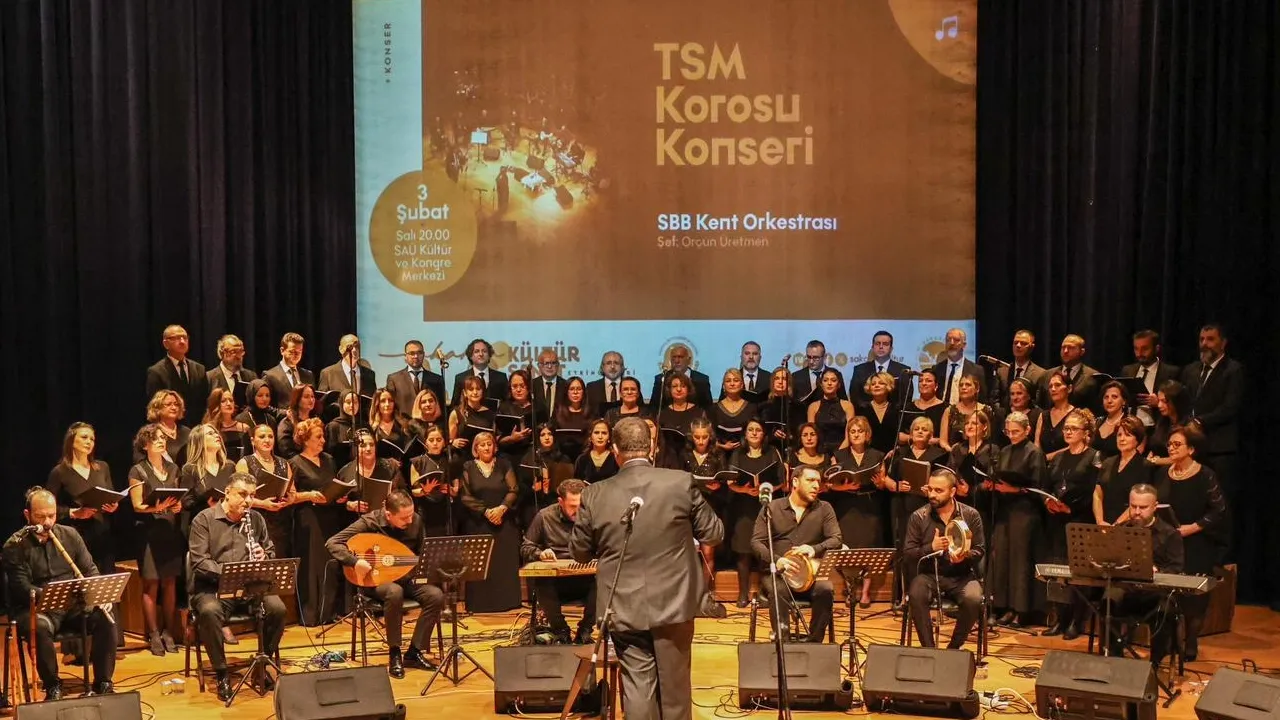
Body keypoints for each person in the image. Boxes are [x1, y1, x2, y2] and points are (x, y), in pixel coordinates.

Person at [570, 417, 723, 720]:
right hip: (674, 602)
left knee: (638, 686)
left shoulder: (594, 493)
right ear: (652, 447)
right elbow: (714, 533)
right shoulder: (680, 482)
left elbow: (579, 551)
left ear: (615, 450)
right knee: (675, 687)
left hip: (622, 604)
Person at [4, 488, 118, 699]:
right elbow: (21, 588)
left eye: (52, 515)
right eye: (40, 516)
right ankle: (52, 685)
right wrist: (52, 594)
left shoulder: (70, 535)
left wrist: (98, 594)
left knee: (105, 616)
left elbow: (89, 569)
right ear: (27, 515)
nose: (47, 522)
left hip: (72, 606)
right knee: (39, 627)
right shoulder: (15, 546)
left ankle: (103, 682)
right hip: (36, 608)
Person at [188, 473, 288, 701]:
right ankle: (222, 672)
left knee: (277, 609)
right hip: (213, 587)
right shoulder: (203, 520)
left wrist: (264, 556)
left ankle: (262, 665)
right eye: (243, 494)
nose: (248, 501)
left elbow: (270, 550)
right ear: (227, 493)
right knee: (209, 611)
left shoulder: (256, 520)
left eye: (252, 495)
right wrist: (231, 575)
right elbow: (200, 562)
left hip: (251, 588)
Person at [327, 489, 444, 677]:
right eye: (404, 517)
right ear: (388, 514)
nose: (410, 520)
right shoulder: (370, 522)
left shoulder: (416, 521)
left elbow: (422, 555)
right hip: (376, 582)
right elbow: (333, 543)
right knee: (394, 592)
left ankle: (414, 652)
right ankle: (394, 652)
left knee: (435, 595)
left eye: (411, 514)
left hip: (406, 577)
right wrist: (354, 562)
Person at [1151, 424, 1227, 660]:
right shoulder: (1162, 474)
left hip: (1196, 541)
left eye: (1177, 444)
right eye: (1169, 444)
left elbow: (1219, 510)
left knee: (1194, 598)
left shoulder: (1205, 475)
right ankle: (1170, 640)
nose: (1171, 448)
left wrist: (1192, 528)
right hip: (1168, 542)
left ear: (1191, 449)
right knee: (1167, 592)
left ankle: (1191, 641)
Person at [752, 466, 841, 642]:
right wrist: (777, 561)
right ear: (795, 482)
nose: (816, 486)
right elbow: (756, 542)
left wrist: (815, 549)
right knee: (779, 590)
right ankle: (783, 643)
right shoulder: (772, 508)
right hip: (779, 575)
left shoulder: (825, 508)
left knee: (826, 589)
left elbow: (836, 539)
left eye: (818, 481)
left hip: (810, 576)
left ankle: (814, 643)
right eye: (810, 480)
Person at [903, 468, 985, 649]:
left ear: (953, 491)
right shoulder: (919, 516)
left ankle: (953, 649)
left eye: (938, 490)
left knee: (974, 597)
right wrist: (931, 548)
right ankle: (930, 650)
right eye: (930, 489)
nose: (932, 494)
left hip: (961, 575)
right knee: (916, 593)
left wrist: (964, 556)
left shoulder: (970, 515)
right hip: (929, 575)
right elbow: (908, 553)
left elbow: (980, 549)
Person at [1041, 409, 1103, 640]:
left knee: (1078, 572)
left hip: (1080, 520)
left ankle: (1077, 621)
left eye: (1073, 428)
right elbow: (1046, 485)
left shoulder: (1094, 456)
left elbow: (1094, 490)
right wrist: (1047, 501)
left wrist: (1072, 508)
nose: (1067, 432)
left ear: (1086, 433)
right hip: (1057, 521)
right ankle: (1060, 619)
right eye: (1066, 428)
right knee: (1058, 570)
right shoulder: (1059, 457)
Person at [1106, 484, 1184, 663]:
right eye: (1133, 506)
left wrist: (1157, 571)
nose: (1136, 512)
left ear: (1155, 506)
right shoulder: (1121, 530)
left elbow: (1176, 569)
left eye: (1143, 507)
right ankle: (1112, 658)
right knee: (1108, 600)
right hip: (1127, 590)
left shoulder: (1170, 534)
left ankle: (1154, 664)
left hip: (1154, 594)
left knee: (1164, 610)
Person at [986, 411, 1047, 628]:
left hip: (1025, 512)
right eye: (1008, 432)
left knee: (1020, 562)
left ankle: (1021, 610)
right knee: (1001, 559)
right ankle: (1001, 607)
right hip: (1005, 511)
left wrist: (1014, 489)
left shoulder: (1034, 453)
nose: (1012, 436)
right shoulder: (1005, 451)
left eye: (1016, 432)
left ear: (1027, 430)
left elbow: (1039, 488)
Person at [128, 424, 184, 656]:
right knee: (151, 584)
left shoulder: (173, 468)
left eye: (163, 438)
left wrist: (178, 506)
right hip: (149, 532)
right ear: (145, 445)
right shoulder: (138, 470)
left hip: (169, 530)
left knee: (169, 582)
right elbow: (137, 505)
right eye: (156, 439)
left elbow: (177, 499)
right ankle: (153, 634)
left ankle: (168, 631)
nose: (162, 441)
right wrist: (155, 508)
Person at [521, 479, 597, 644]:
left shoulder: (593, 515)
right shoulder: (544, 516)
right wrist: (540, 553)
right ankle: (561, 631)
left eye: (581, 505)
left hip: (586, 579)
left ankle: (585, 631)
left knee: (604, 582)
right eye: (572, 506)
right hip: (556, 582)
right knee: (542, 583)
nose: (578, 511)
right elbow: (526, 547)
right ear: (560, 502)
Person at [827, 417, 890, 607]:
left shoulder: (877, 455)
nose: (856, 435)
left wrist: (880, 483)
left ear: (867, 434)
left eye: (860, 431)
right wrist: (844, 487)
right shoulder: (838, 455)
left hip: (869, 505)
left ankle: (865, 592)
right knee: (847, 549)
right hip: (847, 506)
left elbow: (883, 483)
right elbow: (829, 484)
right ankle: (850, 589)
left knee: (869, 549)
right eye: (852, 431)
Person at [458, 432, 523, 612]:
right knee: (481, 564)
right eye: (482, 445)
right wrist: (486, 511)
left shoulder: (504, 464)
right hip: (478, 522)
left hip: (504, 520)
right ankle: (480, 604)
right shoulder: (468, 466)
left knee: (503, 563)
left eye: (489, 444)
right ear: (476, 449)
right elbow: (465, 496)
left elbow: (513, 489)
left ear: (495, 446)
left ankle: (507, 602)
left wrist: (502, 508)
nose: (486, 447)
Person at [1180, 323, 1244, 501]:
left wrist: (1200, 421)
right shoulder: (1191, 370)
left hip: (1219, 447)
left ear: (1223, 343)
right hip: (1193, 446)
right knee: (1193, 497)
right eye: (1201, 339)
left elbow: (1230, 407)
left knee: (1219, 497)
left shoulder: (1233, 370)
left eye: (1210, 339)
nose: (1204, 344)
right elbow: (1185, 402)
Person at [288, 417, 343, 626]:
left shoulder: (328, 459)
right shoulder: (295, 463)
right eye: (318, 437)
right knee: (312, 564)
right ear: (305, 439)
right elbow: (290, 496)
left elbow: (334, 484)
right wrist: (309, 495)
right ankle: (311, 615)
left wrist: (340, 495)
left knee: (329, 562)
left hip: (330, 515)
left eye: (323, 436)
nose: (323, 441)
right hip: (308, 517)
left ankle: (328, 612)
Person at [728, 418, 783, 607]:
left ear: (764, 434)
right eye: (750, 429)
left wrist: (768, 488)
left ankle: (763, 592)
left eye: (758, 430)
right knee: (743, 551)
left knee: (764, 552)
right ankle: (743, 593)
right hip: (744, 506)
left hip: (766, 505)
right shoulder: (738, 454)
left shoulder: (772, 452)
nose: (753, 433)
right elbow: (730, 482)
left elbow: (782, 481)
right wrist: (744, 490)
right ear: (745, 433)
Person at [145, 324, 209, 426]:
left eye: (185, 337)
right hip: (170, 427)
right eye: (177, 338)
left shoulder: (199, 369)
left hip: (198, 427)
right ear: (166, 344)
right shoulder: (156, 371)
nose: (182, 341)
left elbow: (205, 401)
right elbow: (155, 407)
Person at [1093, 417, 1153, 525]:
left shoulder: (1144, 466)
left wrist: (1116, 524)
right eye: (1119, 435)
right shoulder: (1108, 462)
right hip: (1104, 523)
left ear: (1137, 440)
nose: (1122, 439)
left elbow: (1140, 502)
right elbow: (1098, 493)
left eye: (1127, 435)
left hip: (1130, 525)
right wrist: (1100, 521)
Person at [1122, 330, 1180, 428]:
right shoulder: (1127, 370)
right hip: (1130, 427)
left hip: (1157, 427)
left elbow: (1179, 404)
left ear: (1156, 349)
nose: (1139, 353)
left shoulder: (1171, 372)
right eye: (1136, 349)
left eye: (1144, 349)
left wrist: (1158, 403)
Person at [655, 374, 706, 469]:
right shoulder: (662, 414)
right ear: (669, 390)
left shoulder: (699, 412)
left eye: (683, 386)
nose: (679, 389)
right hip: (667, 461)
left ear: (689, 389)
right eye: (674, 386)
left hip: (692, 459)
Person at [1039, 334, 1100, 413]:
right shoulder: (1047, 375)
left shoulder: (1093, 377)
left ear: (1082, 351)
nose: (1065, 351)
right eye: (1063, 347)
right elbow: (1041, 404)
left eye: (1071, 348)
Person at [385, 340, 448, 416]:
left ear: (423, 354)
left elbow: (441, 408)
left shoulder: (436, 379)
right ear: (405, 356)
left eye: (419, 353)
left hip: (430, 422)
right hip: (403, 423)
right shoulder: (394, 379)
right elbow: (391, 409)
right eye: (412, 353)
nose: (416, 356)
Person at [849, 331, 912, 405]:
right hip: (865, 411)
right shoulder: (859, 369)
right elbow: (854, 396)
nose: (881, 347)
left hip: (895, 411)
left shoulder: (903, 370)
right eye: (877, 343)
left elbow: (907, 397)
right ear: (872, 347)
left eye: (885, 344)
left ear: (891, 348)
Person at [650, 343, 714, 410]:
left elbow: (708, 408)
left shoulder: (702, 380)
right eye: (674, 357)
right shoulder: (661, 379)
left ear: (689, 360)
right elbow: (653, 408)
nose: (677, 361)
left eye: (680, 357)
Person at [931, 328, 985, 405]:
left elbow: (982, 399)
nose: (951, 343)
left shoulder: (976, 370)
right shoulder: (936, 369)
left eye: (956, 340)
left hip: (966, 410)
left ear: (964, 345)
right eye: (948, 340)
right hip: (940, 411)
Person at [807, 368, 855, 454]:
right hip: (820, 453)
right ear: (821, 384)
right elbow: (811, 435)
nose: (829, 383)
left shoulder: (848, 406)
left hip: (843, 452)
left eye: (833, 380)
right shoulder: (813, 407)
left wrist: (838, 455)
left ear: (839, 384)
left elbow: (849, 436)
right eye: (825, 380)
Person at [992, 330, 1046, 407]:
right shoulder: (1002, 371)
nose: (1018, 345)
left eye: (1023, 343)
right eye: (1015, 342)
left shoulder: (1040, 374)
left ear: (1032, 347)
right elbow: (995, 400)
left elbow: (1039, 403)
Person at [709, 368, 757, 454]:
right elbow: (708, 435)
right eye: (728, 381)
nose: (732, 384)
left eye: (736, 380)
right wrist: (720, 446)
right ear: (723, 386)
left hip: (745, 454)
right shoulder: (714, 409)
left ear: (742, 385)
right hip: (719, 454)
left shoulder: (751, 408)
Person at [262, 332, 315, 407]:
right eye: (292, 351)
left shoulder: (308, 375)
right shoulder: (270, 376)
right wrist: (284, 412)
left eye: (299, 351)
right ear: (282, 350)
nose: (296, 355)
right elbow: (265, 406)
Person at [318, 334, 377, 401]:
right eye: (350, 347)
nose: (354, 350)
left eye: (357, 346)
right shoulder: (328, 374)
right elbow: (321, 402)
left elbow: (374, 402)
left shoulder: (369, 375)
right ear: (341, 349)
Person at [450, 338, 508, 406]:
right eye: (476, 351)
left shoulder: (501, 377)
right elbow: (454, 405)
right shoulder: (460, 378)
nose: (481, 354)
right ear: (470, 356)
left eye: (484, 351)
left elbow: (508, 404)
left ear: (489, 355)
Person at [939, 376, 991, 452]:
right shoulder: (949, 411)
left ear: (977, 389)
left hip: (981, 455)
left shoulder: (986, 410)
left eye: (968, 385)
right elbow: (943, 441)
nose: (963, 387)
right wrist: (955, 454)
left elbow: (990, 438)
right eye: (961, 385)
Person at [141, 389, 191, 466]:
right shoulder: (150, 433)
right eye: (168, 404)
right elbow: (140, 461)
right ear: (157, 408)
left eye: (176, 404)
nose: (174, 407)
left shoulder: (187, 432)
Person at [206, 334, 257, 408]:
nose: (239, 356)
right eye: (234, 352)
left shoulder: (251, 376)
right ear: (222, 353)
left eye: (241, 351)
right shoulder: (209, 378)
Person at [1035, 372, 1076, 462]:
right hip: (1042, 466)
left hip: (1067, 463)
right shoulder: (1043, 415)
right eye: (1050, 386)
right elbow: (1037, 445)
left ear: (1069, 388)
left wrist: (1046, 458)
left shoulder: (1076, 415)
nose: (1053, 389)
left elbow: (1074, 446)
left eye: (1058, 385)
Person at [899, 369, 946, 446]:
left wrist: (936, 441)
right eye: (920, 381)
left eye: (928, 381)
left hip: (936, 450)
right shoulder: (907, 407)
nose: (924, 383)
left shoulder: (945, 408)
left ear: (936, 385)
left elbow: (948, 437)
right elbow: (899, 435)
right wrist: (915, 439)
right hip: (909, 449)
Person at [204, 387, 251, 461]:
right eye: (223, 401)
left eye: (231, 400)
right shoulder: (208, 429)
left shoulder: (244, 428)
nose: (229, 404)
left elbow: (249, 455)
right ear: (215, 404)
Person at [551, 377, 592, 459]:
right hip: (562, 456)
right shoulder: (558, 411)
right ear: (566, 392)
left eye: (579, 389)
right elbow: (552, 433)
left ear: (583, 392)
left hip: (585, 455)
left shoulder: (591, 412)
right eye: (572, 389)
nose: (575, 392)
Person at [276, 383, 318, 459]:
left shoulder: (315, 421)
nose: (311, 400)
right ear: (297, 399)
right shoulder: (287, 423)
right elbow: (286, 451)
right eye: (306, 397)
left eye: (312, 396)